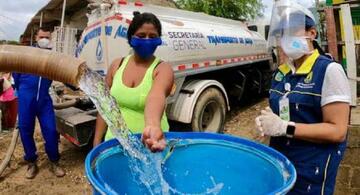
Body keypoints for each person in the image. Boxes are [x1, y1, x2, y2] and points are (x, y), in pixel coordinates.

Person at [255, 1, 351, 194]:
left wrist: (285, 127)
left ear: (312, 34)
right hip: (281, 161)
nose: (286, 37)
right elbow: (281, 112)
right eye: (282, 33)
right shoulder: (281, 73)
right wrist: (267, 122)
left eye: (293, 30)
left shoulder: (329, 71)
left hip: (312, 168)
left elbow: (338, 131)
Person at [93, 12, 174, 152]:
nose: (147, 40)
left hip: (150, 143)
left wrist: (152, 126)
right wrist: (97, 141)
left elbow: (156, 96)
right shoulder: (116, 65)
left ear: (159, 40)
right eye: (142, 36)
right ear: (131, 38)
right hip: (115, 143)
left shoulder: (162, 69)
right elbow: (104, 104)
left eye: (153, 37)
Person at [12, 27, 65, 179]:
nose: (44, 40)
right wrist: (21, 91)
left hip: (43, 101)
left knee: (50, 131)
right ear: (35, 37)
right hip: (26, 99)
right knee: (25, 130)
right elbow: (16, 74)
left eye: (47, 37)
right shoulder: (26, 55)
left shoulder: (52, 57)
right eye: (42, 37)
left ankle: (54, 162)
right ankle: (31, 162)